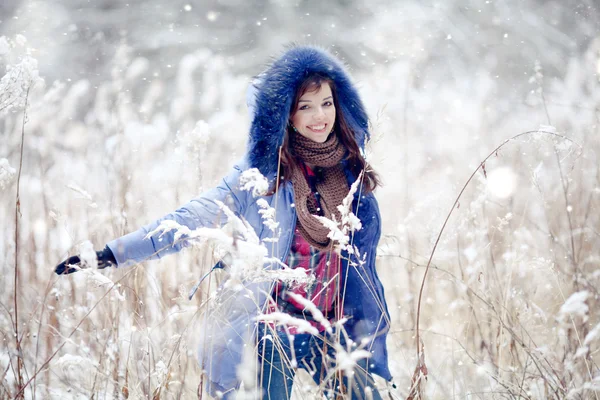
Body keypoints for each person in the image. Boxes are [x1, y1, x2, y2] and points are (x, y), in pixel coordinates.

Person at [55, 45, 392, 399]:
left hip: (331, 323)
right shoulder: (261, 174)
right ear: (285, 116)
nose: (319, 116)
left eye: (326, 103)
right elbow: (190, 219)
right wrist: (113, 253)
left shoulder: (350, 173)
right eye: (304, 107)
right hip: (273, 325)